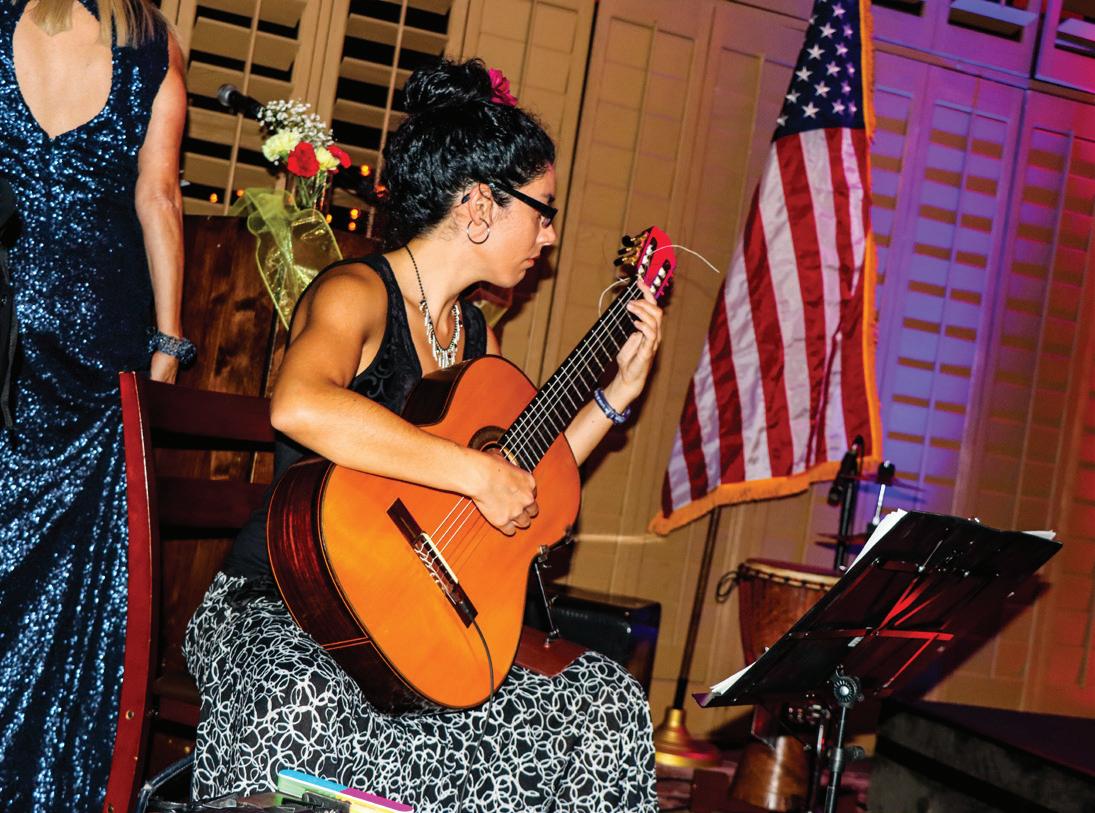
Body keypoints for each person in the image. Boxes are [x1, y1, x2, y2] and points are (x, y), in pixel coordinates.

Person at [184, 58, 663, 812]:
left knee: (603, 703)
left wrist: (613, 399)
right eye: (542, 210)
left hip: (409, 623)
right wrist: (474, 472)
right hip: (287, 603)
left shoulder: (475, 338)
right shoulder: (354, 293)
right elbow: (300, 406)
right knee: (308, 700)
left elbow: (521, 487)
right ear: (478, 206)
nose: (550, 234)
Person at [0, 0, 188, 809]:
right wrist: (168, 344)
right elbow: (160, 198)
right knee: (72, 599)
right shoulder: (154, 44)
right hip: (98, 341)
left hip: (12, 318)